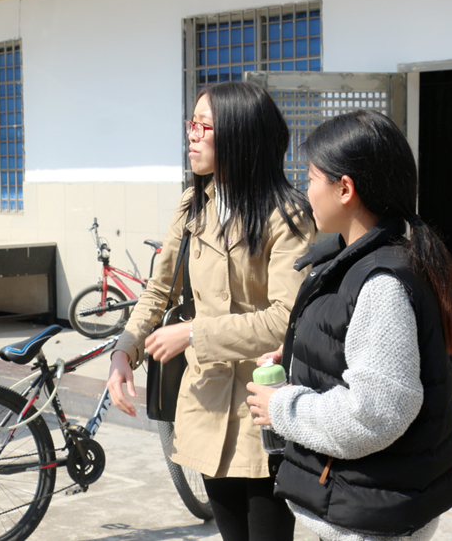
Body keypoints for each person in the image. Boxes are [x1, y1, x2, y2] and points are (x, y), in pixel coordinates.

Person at [246, 109, 452, 541]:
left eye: (311, 179)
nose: (305, 192)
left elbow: (375, 413)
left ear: (345, 189)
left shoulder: (380, 281)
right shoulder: (353, 259)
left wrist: (283, 407)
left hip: (370, 517)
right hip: (363, 504)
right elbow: (348, 347)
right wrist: (295, 356)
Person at [107, 80, 312, 541]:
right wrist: (125, 350)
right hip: (205, 401)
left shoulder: (287, 214)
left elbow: (286, 318)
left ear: (239, 134)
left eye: (204, 126)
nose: (192, 135)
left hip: (263, 404)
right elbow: (159, 290)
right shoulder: (193, 204)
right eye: (191, 123)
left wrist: (194, 334)